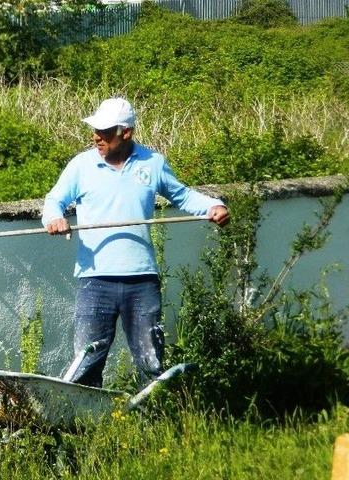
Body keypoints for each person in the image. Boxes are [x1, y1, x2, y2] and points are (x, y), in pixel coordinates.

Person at [42, 97, 230, 388]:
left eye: (104, 132)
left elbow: (182, 195)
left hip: (141, 280)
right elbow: (54, 200)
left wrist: (213, 206)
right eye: (95, 130)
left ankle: (153, 423)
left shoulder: (152, 163)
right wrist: (54, 217)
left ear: (125, 132)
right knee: (85, 363)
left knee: (150, 363)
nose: (96, 137)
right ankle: (84, 428)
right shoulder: (81, 165)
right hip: (95, 279)